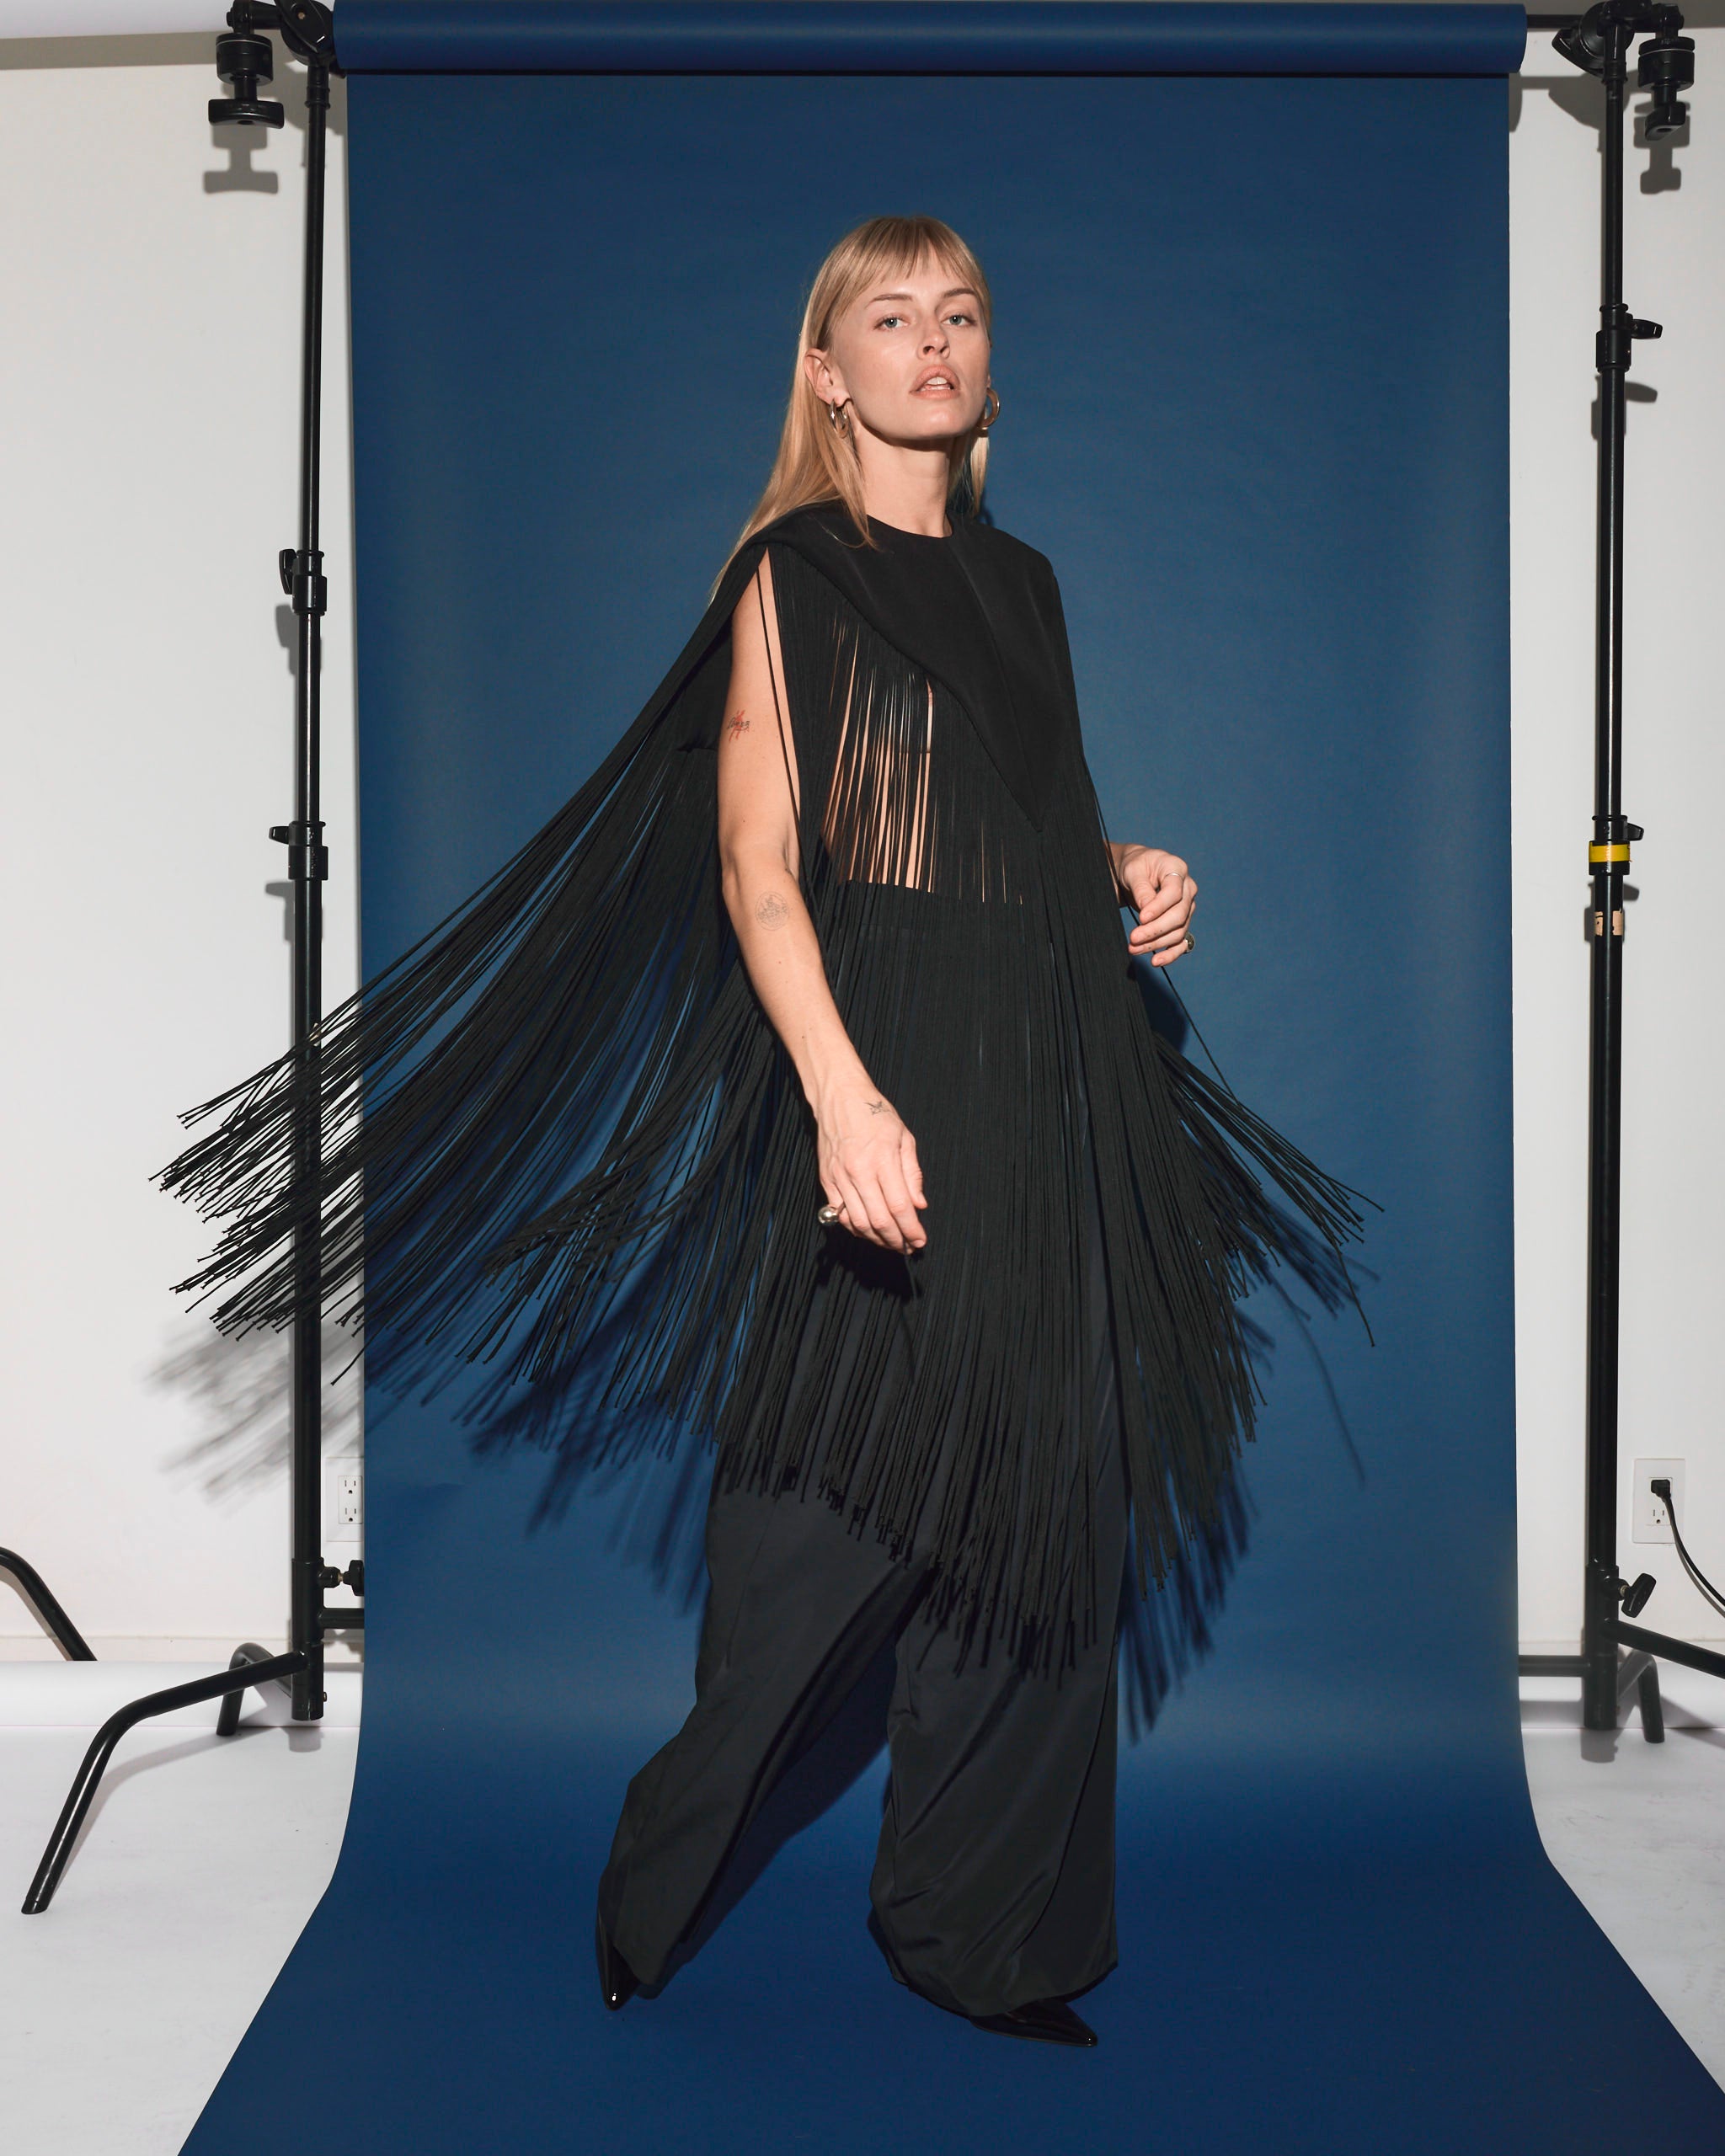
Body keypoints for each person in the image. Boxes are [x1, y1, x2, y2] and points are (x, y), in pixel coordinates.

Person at [164, 216, 1361, 2051]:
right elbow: (758, 860)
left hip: (1058, 1070)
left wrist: (1126, 863)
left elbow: (1017, 815)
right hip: (887, 1058)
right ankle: (655, 1888)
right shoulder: (790, 572)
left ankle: (976, 1933)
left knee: (1048, 1516)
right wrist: (841, 1088)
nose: (932, 343)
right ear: (828, 368)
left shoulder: (1025, 580)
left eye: (959, 314)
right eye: (890, 318)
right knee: (814, 1536)